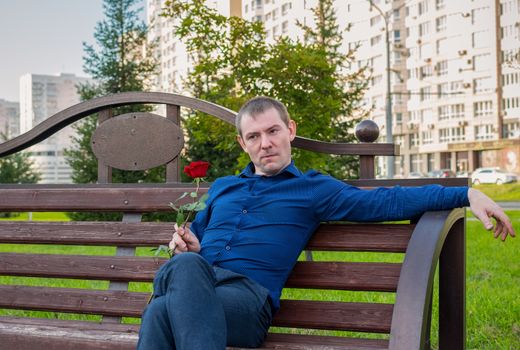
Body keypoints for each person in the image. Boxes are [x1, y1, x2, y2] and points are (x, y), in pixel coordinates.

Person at [137, 97, 515, 350]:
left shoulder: (313, 189)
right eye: (254, 136)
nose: (265, 143)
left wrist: (466, 194)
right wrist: (190, 243)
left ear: (291, 131)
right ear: (243, 143)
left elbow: (387, 200)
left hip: (247, 305)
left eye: (273, 131)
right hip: (197, 291)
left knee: (172, 288)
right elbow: (197, 237)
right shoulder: (222, 188)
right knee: (165, 298)